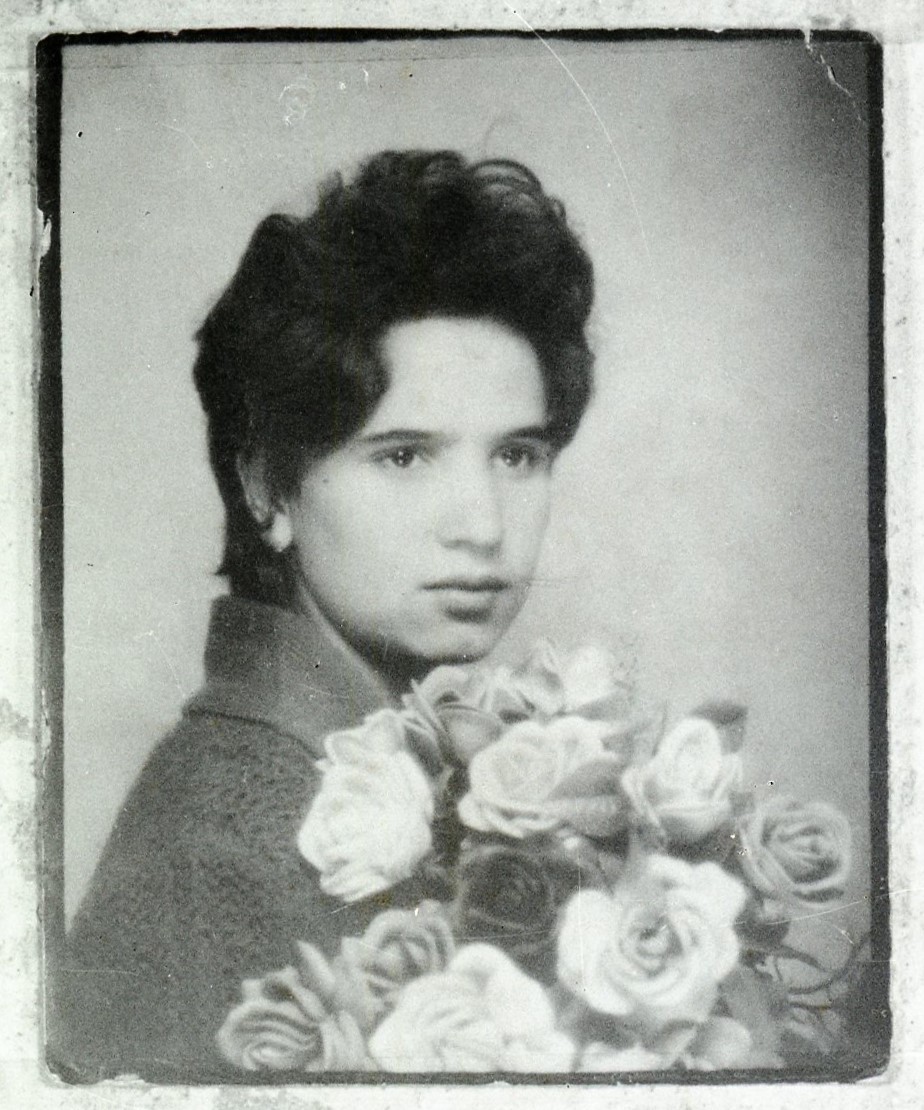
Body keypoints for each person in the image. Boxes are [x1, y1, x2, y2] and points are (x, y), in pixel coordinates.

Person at [54, 150, 595, 1081]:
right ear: (267, 485)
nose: (482, 527)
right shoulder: (223, 849)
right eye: (404, 456)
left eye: (517, 456)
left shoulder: (382, 771)